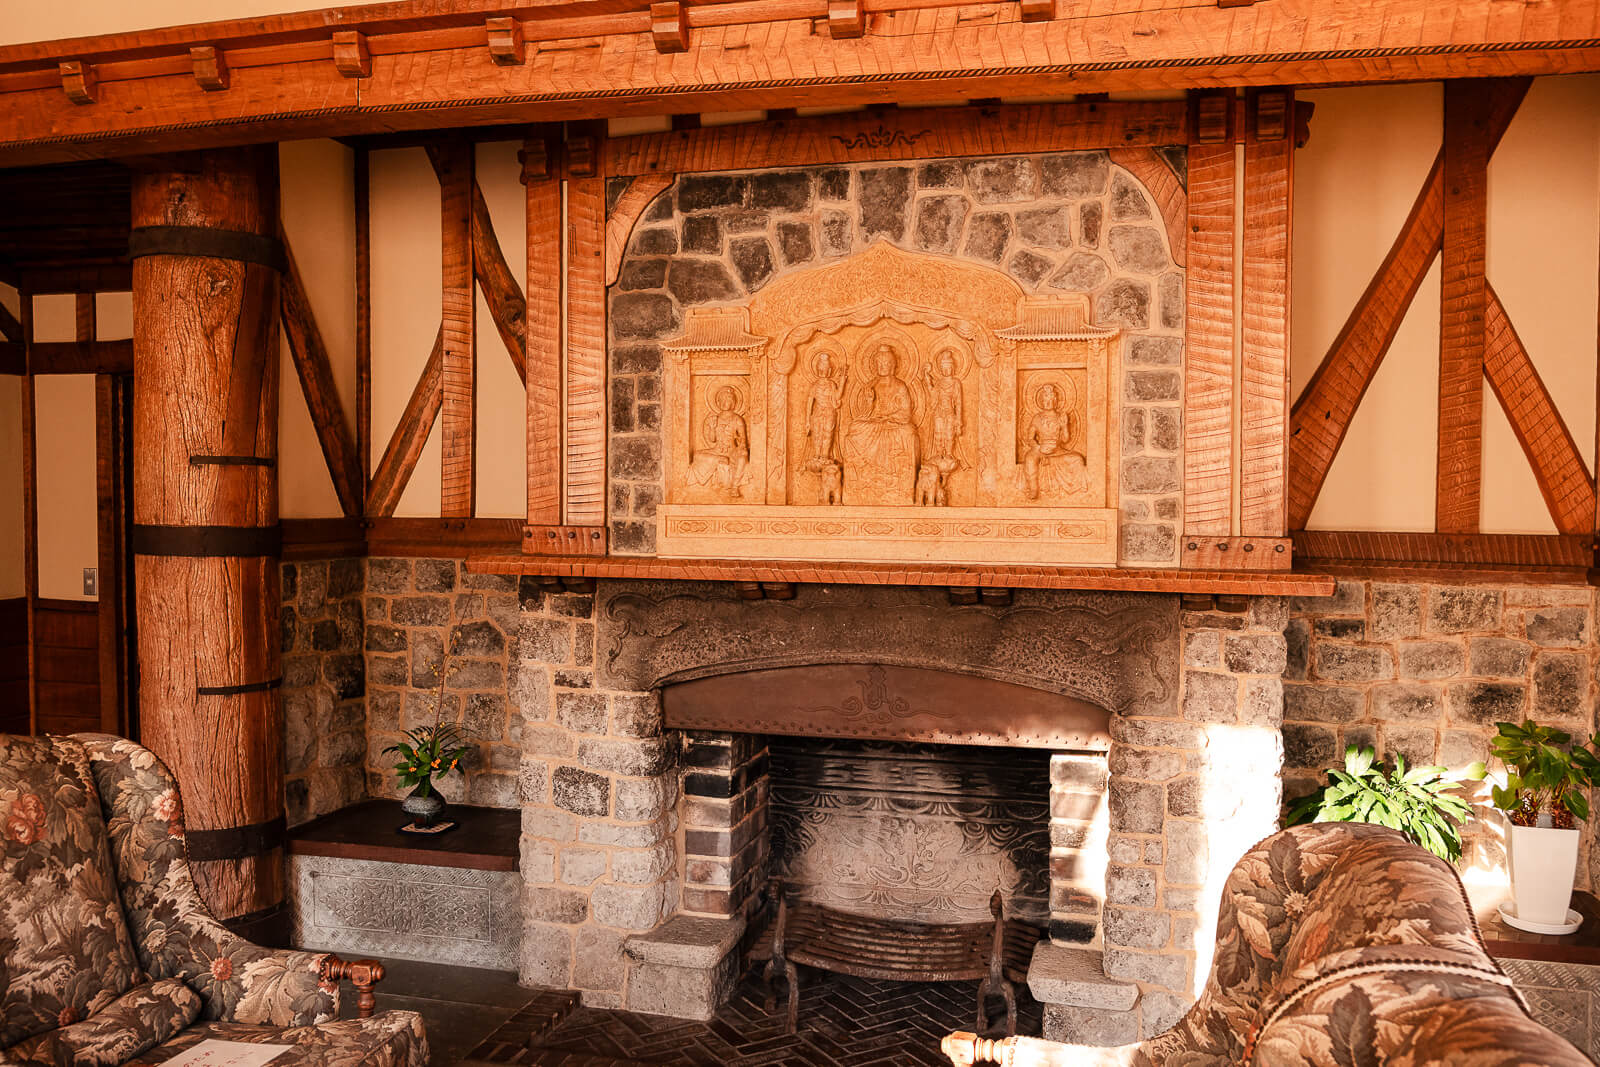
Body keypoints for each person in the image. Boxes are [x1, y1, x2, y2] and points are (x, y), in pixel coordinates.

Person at [843, 343, 918, 504]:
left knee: (908, 431)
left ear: (893, 365)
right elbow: (864, 414)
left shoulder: (900, 386)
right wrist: (869, 402)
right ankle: (862, 480)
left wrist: (888, 417)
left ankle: (895, 482)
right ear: (875, 365)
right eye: (879, 363)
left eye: (886, 363)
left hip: (894, 424)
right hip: (874, 423)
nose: (883, 366)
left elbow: (906, 413)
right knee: (854, 429)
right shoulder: (871, 385)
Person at [1020, 383, 1080, 500]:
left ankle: (1075, 490)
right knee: (1029, 459)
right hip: (1040, 449)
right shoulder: (1037, 418)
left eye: (1051, 399)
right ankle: (1033, 489)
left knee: (1078, 459)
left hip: (1058, 450)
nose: (1048, 402)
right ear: (1041, 401)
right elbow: (1030, 438)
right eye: (1045, 399)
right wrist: (1038, 447)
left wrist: (1064, 426)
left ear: (1056, 401)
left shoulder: (1060, 417)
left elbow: (1065, 440)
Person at [688, 385, 748, 496]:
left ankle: (735, 487)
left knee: (743, 457)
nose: (725, 402)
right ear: (718, 402)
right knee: (696, 455)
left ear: (734, 401)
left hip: (732, 451)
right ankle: (718, 459)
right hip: (717, 451)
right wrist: (712, 428)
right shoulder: (715, 418)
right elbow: (712, 440)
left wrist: (741, 445)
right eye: (723, 399)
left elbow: (743, 440)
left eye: (728, 398)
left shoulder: (737, 419)